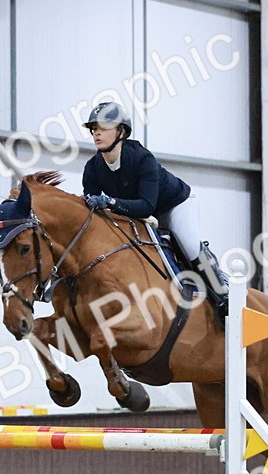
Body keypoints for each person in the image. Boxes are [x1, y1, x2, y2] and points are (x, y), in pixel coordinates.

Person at [80, 101, 228, 314]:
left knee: (188, 244)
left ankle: (223, 295)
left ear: (121, 132)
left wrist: (109, 202)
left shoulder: (142, 159)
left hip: (174, 205)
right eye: (94, 129)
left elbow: (146, 206)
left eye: (103, 128)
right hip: (139, 214)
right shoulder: (92, 168)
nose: (97, 134)